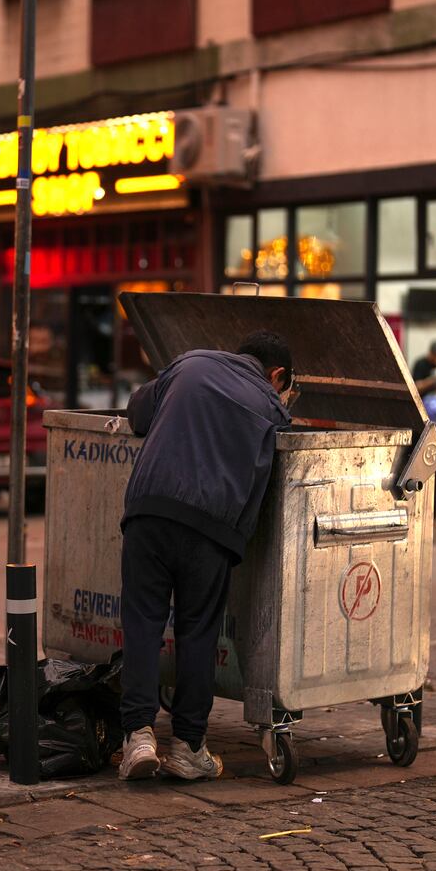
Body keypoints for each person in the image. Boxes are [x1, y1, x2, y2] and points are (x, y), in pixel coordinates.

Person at [116, 331, 295, 781]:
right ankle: (188, 747)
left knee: (141, 624)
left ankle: (137, 736)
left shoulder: (190, 360)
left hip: (149, 511)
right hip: (209, 529)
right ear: (278, 376)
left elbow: (137, 413)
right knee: (197, 632)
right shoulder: (272, 408)